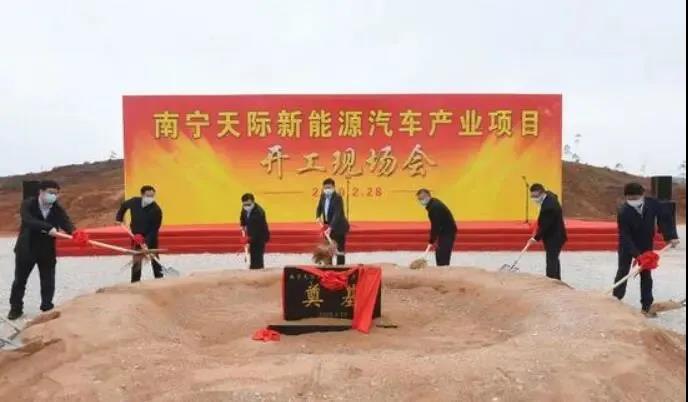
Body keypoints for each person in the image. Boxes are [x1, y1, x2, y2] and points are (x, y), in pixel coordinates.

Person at [8, 180, 75, 320]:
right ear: (41, 192)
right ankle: (16, 308)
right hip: (27, 248)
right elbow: (28, 220)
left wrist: (75, 233)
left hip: (47, 250)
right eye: (50, 192)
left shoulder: (56, 208)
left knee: (48, 281)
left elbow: (66, 222)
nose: (53, 196)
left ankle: (47, 307)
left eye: (56, 193)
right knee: (20, 281)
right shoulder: (28, 204)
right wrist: (48, 227)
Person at [614, 182, 680, 317]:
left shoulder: (652, 204)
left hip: (645, 244)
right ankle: (615, 301)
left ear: (642, 195)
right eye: (630, 198)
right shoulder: (623, 212)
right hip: (628, 246)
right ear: (626, 197)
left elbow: (665, 218)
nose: (633, 201)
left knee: (646, 275)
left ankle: (646, 306)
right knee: (623, 271)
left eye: (635, 198)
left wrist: (670, 236)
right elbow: (625, 236)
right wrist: (637, 255)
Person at [115, 185, 163, 283]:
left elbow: (154, 229)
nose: (150, 198)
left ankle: (159, 280)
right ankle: (135, 282)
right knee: (137, 260)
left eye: (152, 196)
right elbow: (124, 205)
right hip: (136, 237)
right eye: (148, 196)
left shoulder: (156, 210)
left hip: (150, 237)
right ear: (142, 194)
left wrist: (146, 243)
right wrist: (119, 218)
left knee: (154, 258)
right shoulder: (134, 202)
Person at [528, 183, 568, 280]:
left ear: (541, 193)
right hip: (556, 234)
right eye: (532, 196)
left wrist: (535, 238)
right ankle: (557, 280)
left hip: (554, 237)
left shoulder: (549, 206)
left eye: (535, 196)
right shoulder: (549, 196)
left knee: (551, 260)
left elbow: (545, 226)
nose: (534, 199)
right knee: (554, 258)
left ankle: (550, 281)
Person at [416, 189, 457, 266]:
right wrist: (433, 238)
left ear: (428, 196)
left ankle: (443, 270)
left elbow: (435, 225)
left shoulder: (434, 207)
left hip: (448, 232)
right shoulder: (433, 204)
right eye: (419, 199)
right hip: (443, 232)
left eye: (422, 198)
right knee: (439, 253)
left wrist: (431, 240)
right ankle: (441, 268)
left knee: (443, 254)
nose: (421, 201)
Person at [316, 178, 349, 265]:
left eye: (329, 187)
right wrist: (318, 216)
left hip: (339, 227)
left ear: (333, 187)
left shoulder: (338, 198)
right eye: (325, 188)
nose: (327, 189)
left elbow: (337, 214)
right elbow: (319, 207)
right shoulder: (323, 196)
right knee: (328, 248)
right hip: (327, 226)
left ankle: (341, 268)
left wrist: (330, 228)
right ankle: (329, 267)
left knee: (340, 249)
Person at [239, 193, 270, 269]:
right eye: (245, 204)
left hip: (260, 236)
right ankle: (253, 267)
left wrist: (248, 239)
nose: (246, 206)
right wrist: (242, 224)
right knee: (252, 254)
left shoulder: (258, 213)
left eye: (248, 204)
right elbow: (243, 216)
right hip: (251, 234)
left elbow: (256, 230)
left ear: (253, 202)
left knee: (257, 255)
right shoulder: (245, 208)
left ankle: (258, 269)